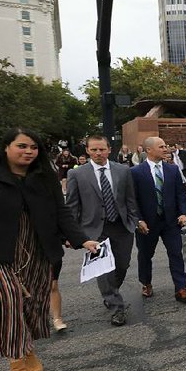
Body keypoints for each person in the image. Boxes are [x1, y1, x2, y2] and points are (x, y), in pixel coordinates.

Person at [0, 128, 99, 371]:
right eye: (21, 146)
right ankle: (17, 365)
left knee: (31, 306)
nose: (28, 151)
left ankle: (27, 349)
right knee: (9, 303)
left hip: (39, 250)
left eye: (33, 147)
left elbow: (62, 212)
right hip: (3, 253)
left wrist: (81, 240)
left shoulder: (44, 177)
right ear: (6, 147)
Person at [66, 134, 140, 326]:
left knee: (122, 265)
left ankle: (110, 293)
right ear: (88, 151)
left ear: (109, 149)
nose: (98, 153)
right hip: (94, 230)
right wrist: (71, 233)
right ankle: (117, 308)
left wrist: (135, 220)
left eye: (102, 149)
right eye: (94, 150)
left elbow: (130, 199)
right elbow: (72, 205)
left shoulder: (123, 170)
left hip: (122, 226)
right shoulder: (77, 174)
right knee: (104, 269)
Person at [130, 137, 186, 303]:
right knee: (145, 255)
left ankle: (181, 288)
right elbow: (132, 199)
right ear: (149, 150)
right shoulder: (136, 172)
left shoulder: (172, 170)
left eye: (166, 145)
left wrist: (183, 213)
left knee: (176, 253)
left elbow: (180, 194)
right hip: (147, 223)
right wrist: (138, 220)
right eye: (161, 146)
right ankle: (146, 282)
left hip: (171, 221)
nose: (166, 149)